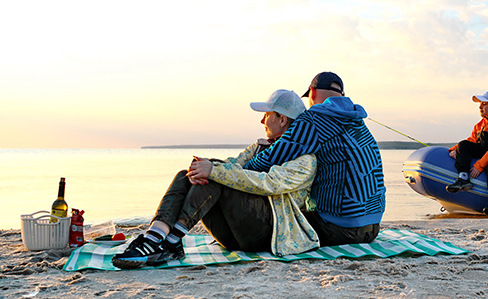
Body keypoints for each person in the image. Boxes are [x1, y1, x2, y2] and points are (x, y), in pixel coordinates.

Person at [112, 89, 319, 269]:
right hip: (233, 235)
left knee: (216, 175)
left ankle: (171, 240)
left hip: (268, 235)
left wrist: (213, 171)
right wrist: (202, 168)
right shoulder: (261, 146)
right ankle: (156, 237)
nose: (262, 120)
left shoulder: (305, 160)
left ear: (282, 119)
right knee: (187, 175)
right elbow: (234, 164)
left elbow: (267, 183)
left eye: (266, 114)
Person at [243, 72, 385, 246]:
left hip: (339, 229)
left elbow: (271, 158)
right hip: (372, 228)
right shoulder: (359, 123)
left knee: (275, 226)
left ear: (313, 92)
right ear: (342, 95)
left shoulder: (313, 120)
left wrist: (241, 171)